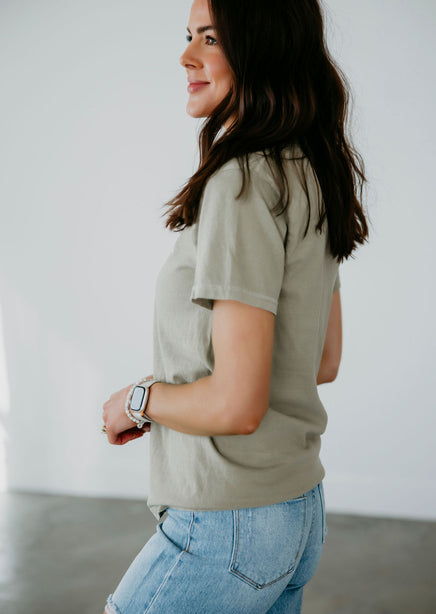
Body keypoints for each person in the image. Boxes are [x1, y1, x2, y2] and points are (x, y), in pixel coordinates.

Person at [102, 0, 370, 612]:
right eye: (189, 36)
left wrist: (138, 400)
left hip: (229, 522)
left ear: (261, 49)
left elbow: (237, 405)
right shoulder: (311, 169)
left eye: (210, 39)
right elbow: (321, 360)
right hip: (296, 512)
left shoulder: (241, 182)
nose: (185, 56)